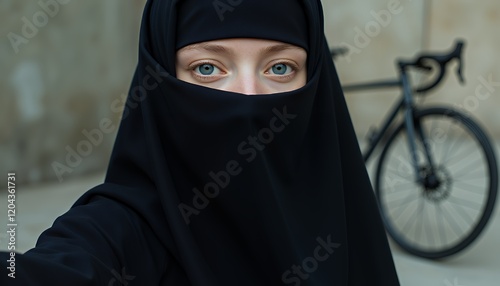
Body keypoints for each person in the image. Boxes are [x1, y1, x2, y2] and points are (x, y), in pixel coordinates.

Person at [1, 0, 401, 285]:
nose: (246, 97)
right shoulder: (123, 232)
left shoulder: (342, 213)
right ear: (161, 82)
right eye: (207, 68)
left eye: (280, 68)